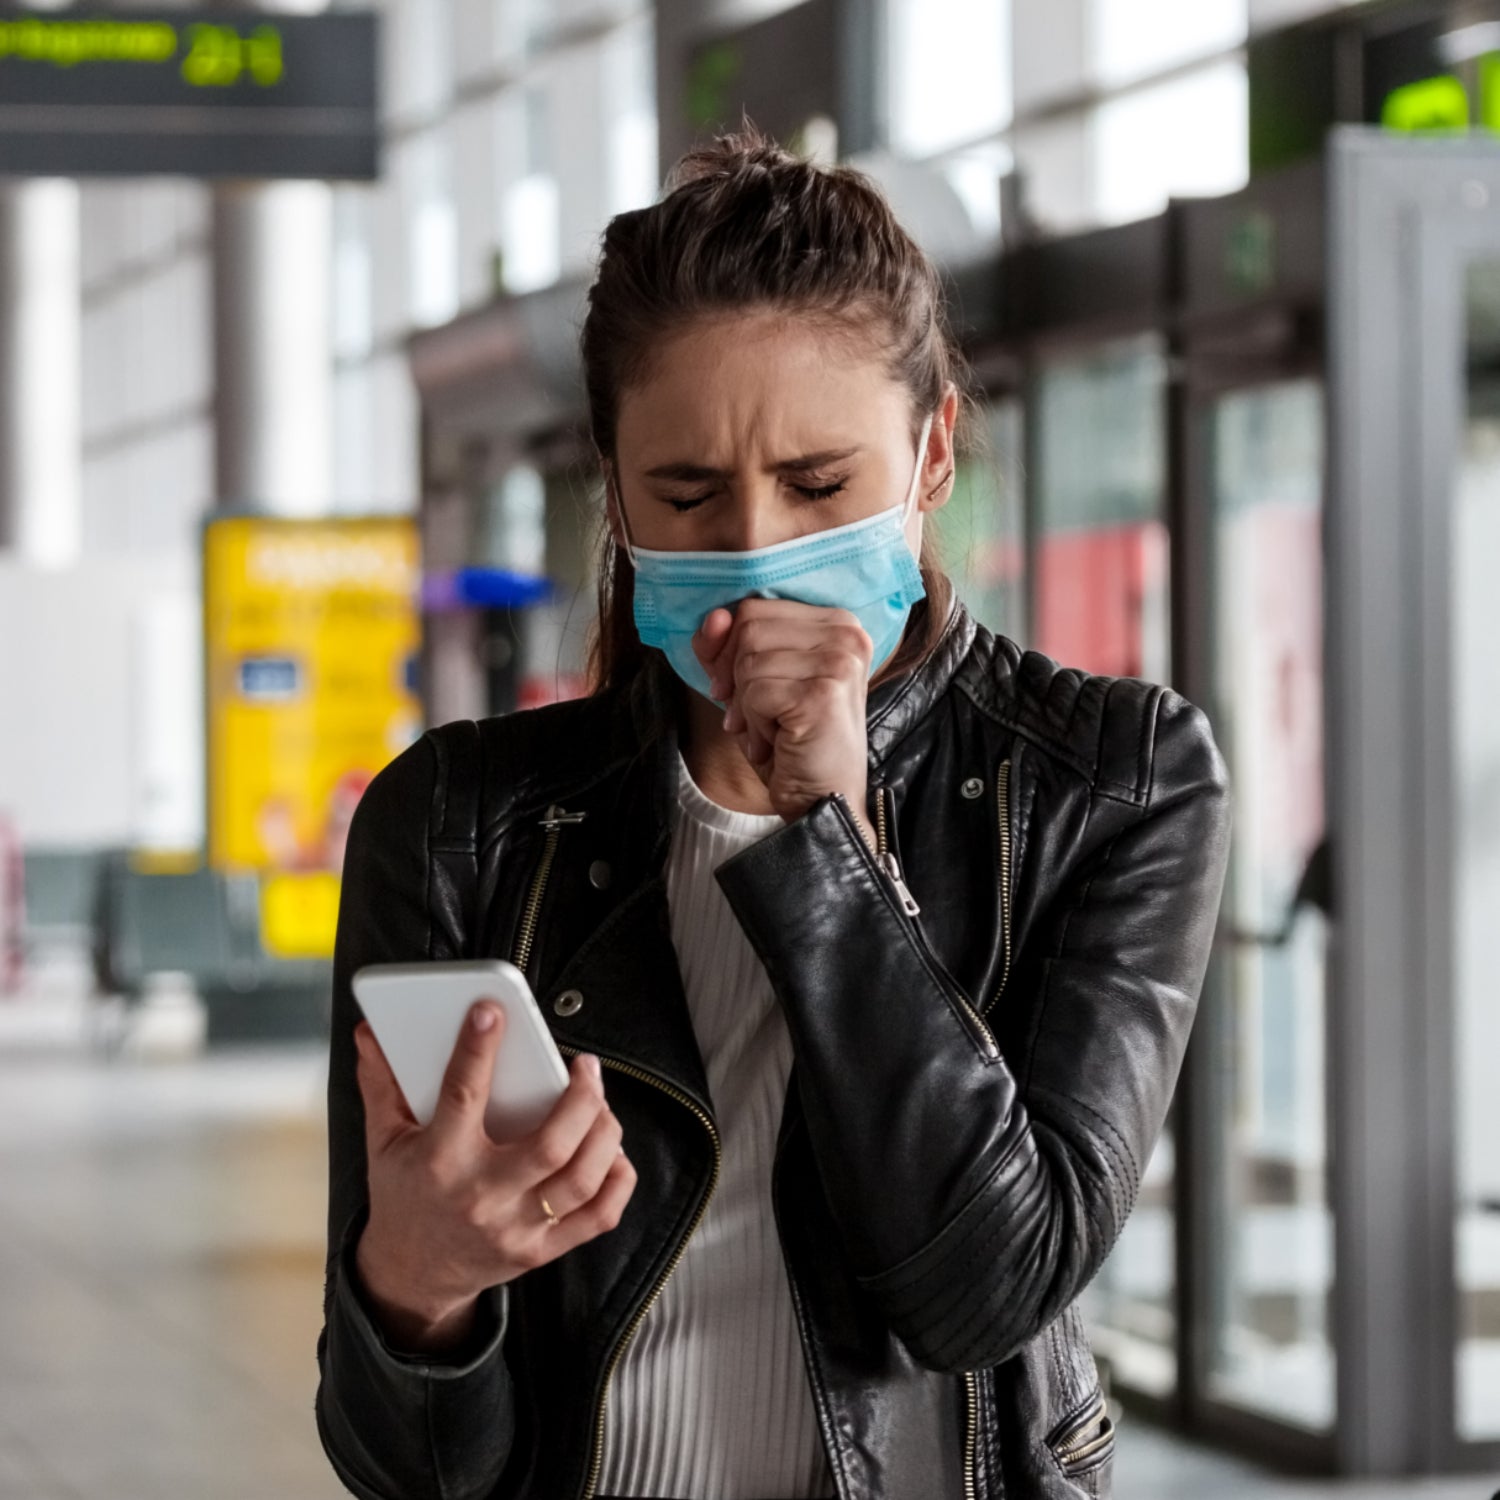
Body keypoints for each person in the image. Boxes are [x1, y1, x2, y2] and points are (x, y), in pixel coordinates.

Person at [314, 124, 1232, 1500]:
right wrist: (417, 1290)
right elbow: (406, 1471)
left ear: (929, 456)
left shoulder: (1112, 782)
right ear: (614, 494)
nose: (752, 551)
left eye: (818, 487)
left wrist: (823, 833)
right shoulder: (458, 823)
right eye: (686, 495)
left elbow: (986, 1293)